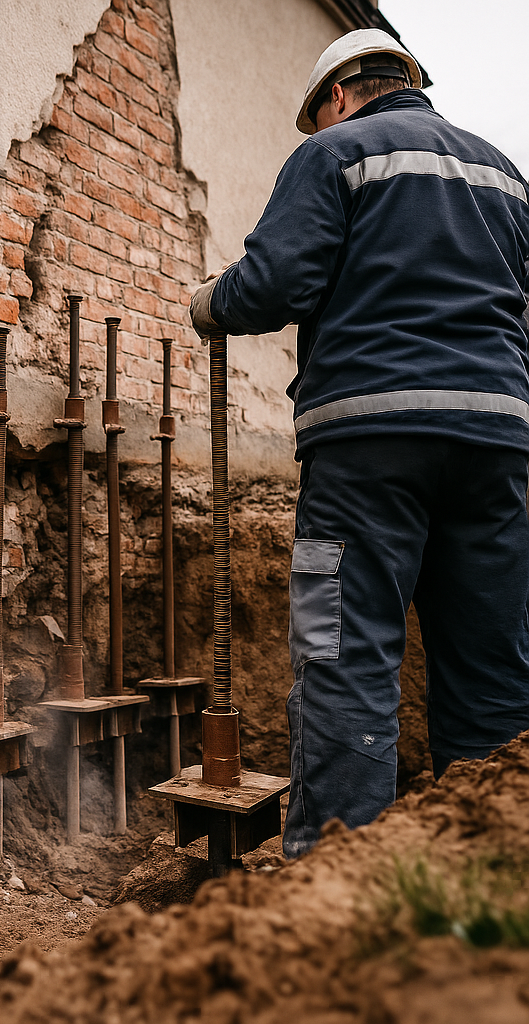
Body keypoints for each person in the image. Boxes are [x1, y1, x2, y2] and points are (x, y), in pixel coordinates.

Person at [190, 29, 529, 859]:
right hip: (497, 446)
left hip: (368, 447)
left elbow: (276, 283)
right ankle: (491, 874)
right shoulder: (506, 175)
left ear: (338, 96)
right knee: (492, 666)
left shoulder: (337, 153)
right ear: (408, 82)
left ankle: (339, 893)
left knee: (346, 656)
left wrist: (210, 303)